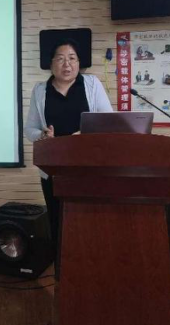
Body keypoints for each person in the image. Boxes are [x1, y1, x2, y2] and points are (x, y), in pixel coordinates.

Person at [24, 39, 113, 246]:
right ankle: (60, 264)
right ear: (51, 63)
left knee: (89, 221)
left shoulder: (91, 84)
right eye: (61, 59)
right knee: (58, 220)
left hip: (88, 167)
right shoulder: (40, 90)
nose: (67, 64)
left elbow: (107, 121)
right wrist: (42, 136)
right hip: (53, 169)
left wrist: (85, 133)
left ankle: (89, 262)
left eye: (72, 59)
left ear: (79, 63)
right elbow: (29, 129)